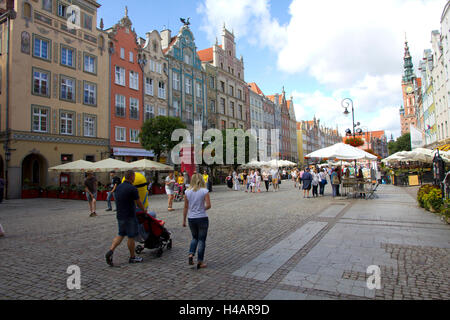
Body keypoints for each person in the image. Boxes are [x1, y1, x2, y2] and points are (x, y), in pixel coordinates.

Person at [105, 170, 146, 266]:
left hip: (120, 215)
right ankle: (132, 257)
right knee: (131, 236)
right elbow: (138, 202)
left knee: (120, 234)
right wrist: (144, 210)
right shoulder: (132, 188)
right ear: (131, 177)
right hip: (129, 215)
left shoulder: (119, 187)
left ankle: (111, 250)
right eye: (134, 177)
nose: (134, 178)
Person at [183, 173, 211, 270]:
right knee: (202, 240)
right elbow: (208, 205)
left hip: (191, 218)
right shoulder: (204, 191)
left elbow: (186, 207)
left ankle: (191, 254)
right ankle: (200, 261)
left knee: (194, 238)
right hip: (202, 217)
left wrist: (184, 220)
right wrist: (201, 209)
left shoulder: (187, 192)